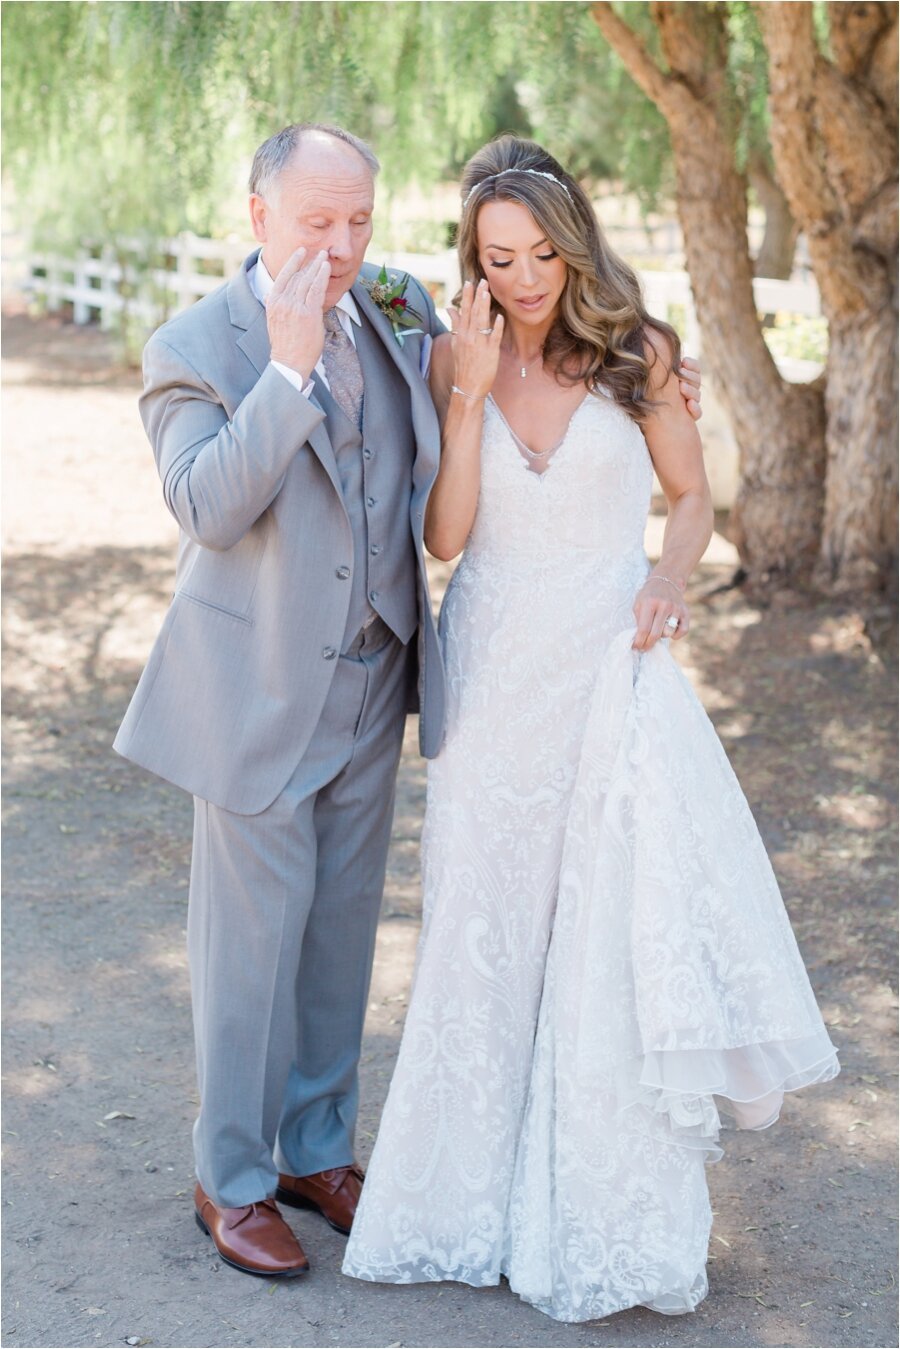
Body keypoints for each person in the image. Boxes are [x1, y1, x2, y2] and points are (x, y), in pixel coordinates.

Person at [114, 122, 702, 1280]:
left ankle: (317, 1147)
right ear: (259, 217)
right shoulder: (195, 346)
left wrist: (662, 367)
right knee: (247, 952)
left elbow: (521, 348)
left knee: (339, 941)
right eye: (315, 223)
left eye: (359, 223)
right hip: (255, 693)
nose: (339, 248)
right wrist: (284, 375)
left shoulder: (396, 307)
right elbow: (207, 505)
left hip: (382, 680)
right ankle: (229, 1175)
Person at [342, 136, 839, 1321]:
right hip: (497, 670)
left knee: (602, 933)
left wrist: (667, 579)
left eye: (539, 254)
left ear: (574, 244)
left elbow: (693, 500)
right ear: (472, 259)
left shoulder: (643, 354)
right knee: (483, 928)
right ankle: (464, 1201)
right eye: (496, 257)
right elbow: (448, 538)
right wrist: (463, 396)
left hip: (608, 666)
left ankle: (594, 1210)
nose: (520, 278)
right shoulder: (456, 354)